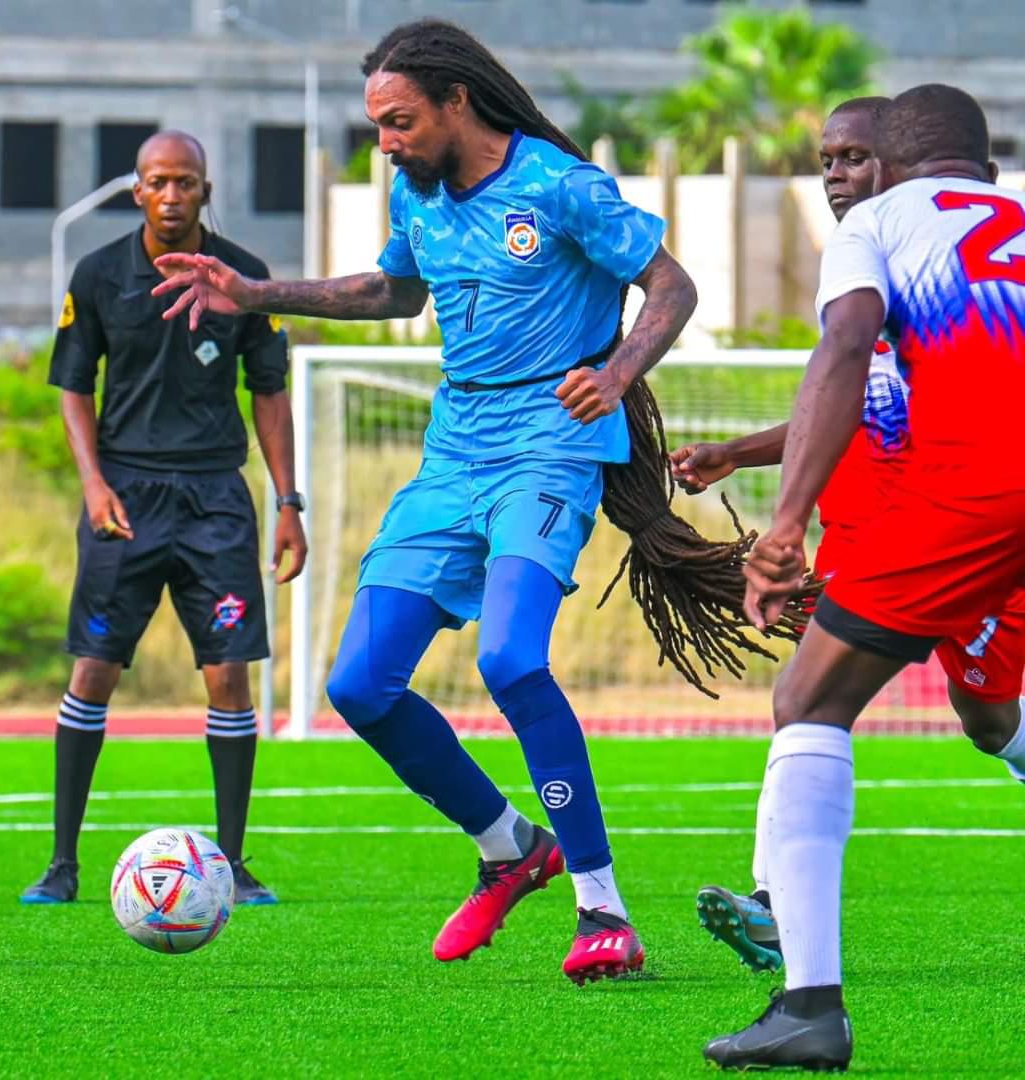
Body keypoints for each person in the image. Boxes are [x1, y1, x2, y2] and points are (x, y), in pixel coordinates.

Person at [153, 19, 697, 983]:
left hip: (550, 445)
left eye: (400, 122)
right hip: (453, 456)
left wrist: (617, 372)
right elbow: (393, 292)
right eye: (379, 127)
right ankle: (508, 845)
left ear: (457, 102)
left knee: (510, 659)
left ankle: (601, 907)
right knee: (358, 686)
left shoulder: (561, 187)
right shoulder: (418, 193)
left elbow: (670, 285)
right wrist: (253, 293)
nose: (387, 144)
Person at [702, 84, 1025, 1070]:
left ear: (887, 163)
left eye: (853, 158)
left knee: (807, 699)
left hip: (983, 487)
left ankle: (808, 1007)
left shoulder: (879, 225)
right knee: (989, 717)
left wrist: (785, 525)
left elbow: (844, 348)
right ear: (988, 169)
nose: (843, 175)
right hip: (974, 498)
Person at [20, 131, 307, 907]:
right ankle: (62, 865)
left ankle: (235, 863)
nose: (172, 195)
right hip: (128, 500)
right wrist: (92, 484)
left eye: (185, 182)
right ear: (137, 191)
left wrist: (287, 502)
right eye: (158, 182)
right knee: (94, 669)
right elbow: (73, 386)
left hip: (216, 498)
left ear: (205, 191)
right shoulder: (100, 274)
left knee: (228, 676)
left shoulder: (244, 275)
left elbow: (269, 391)